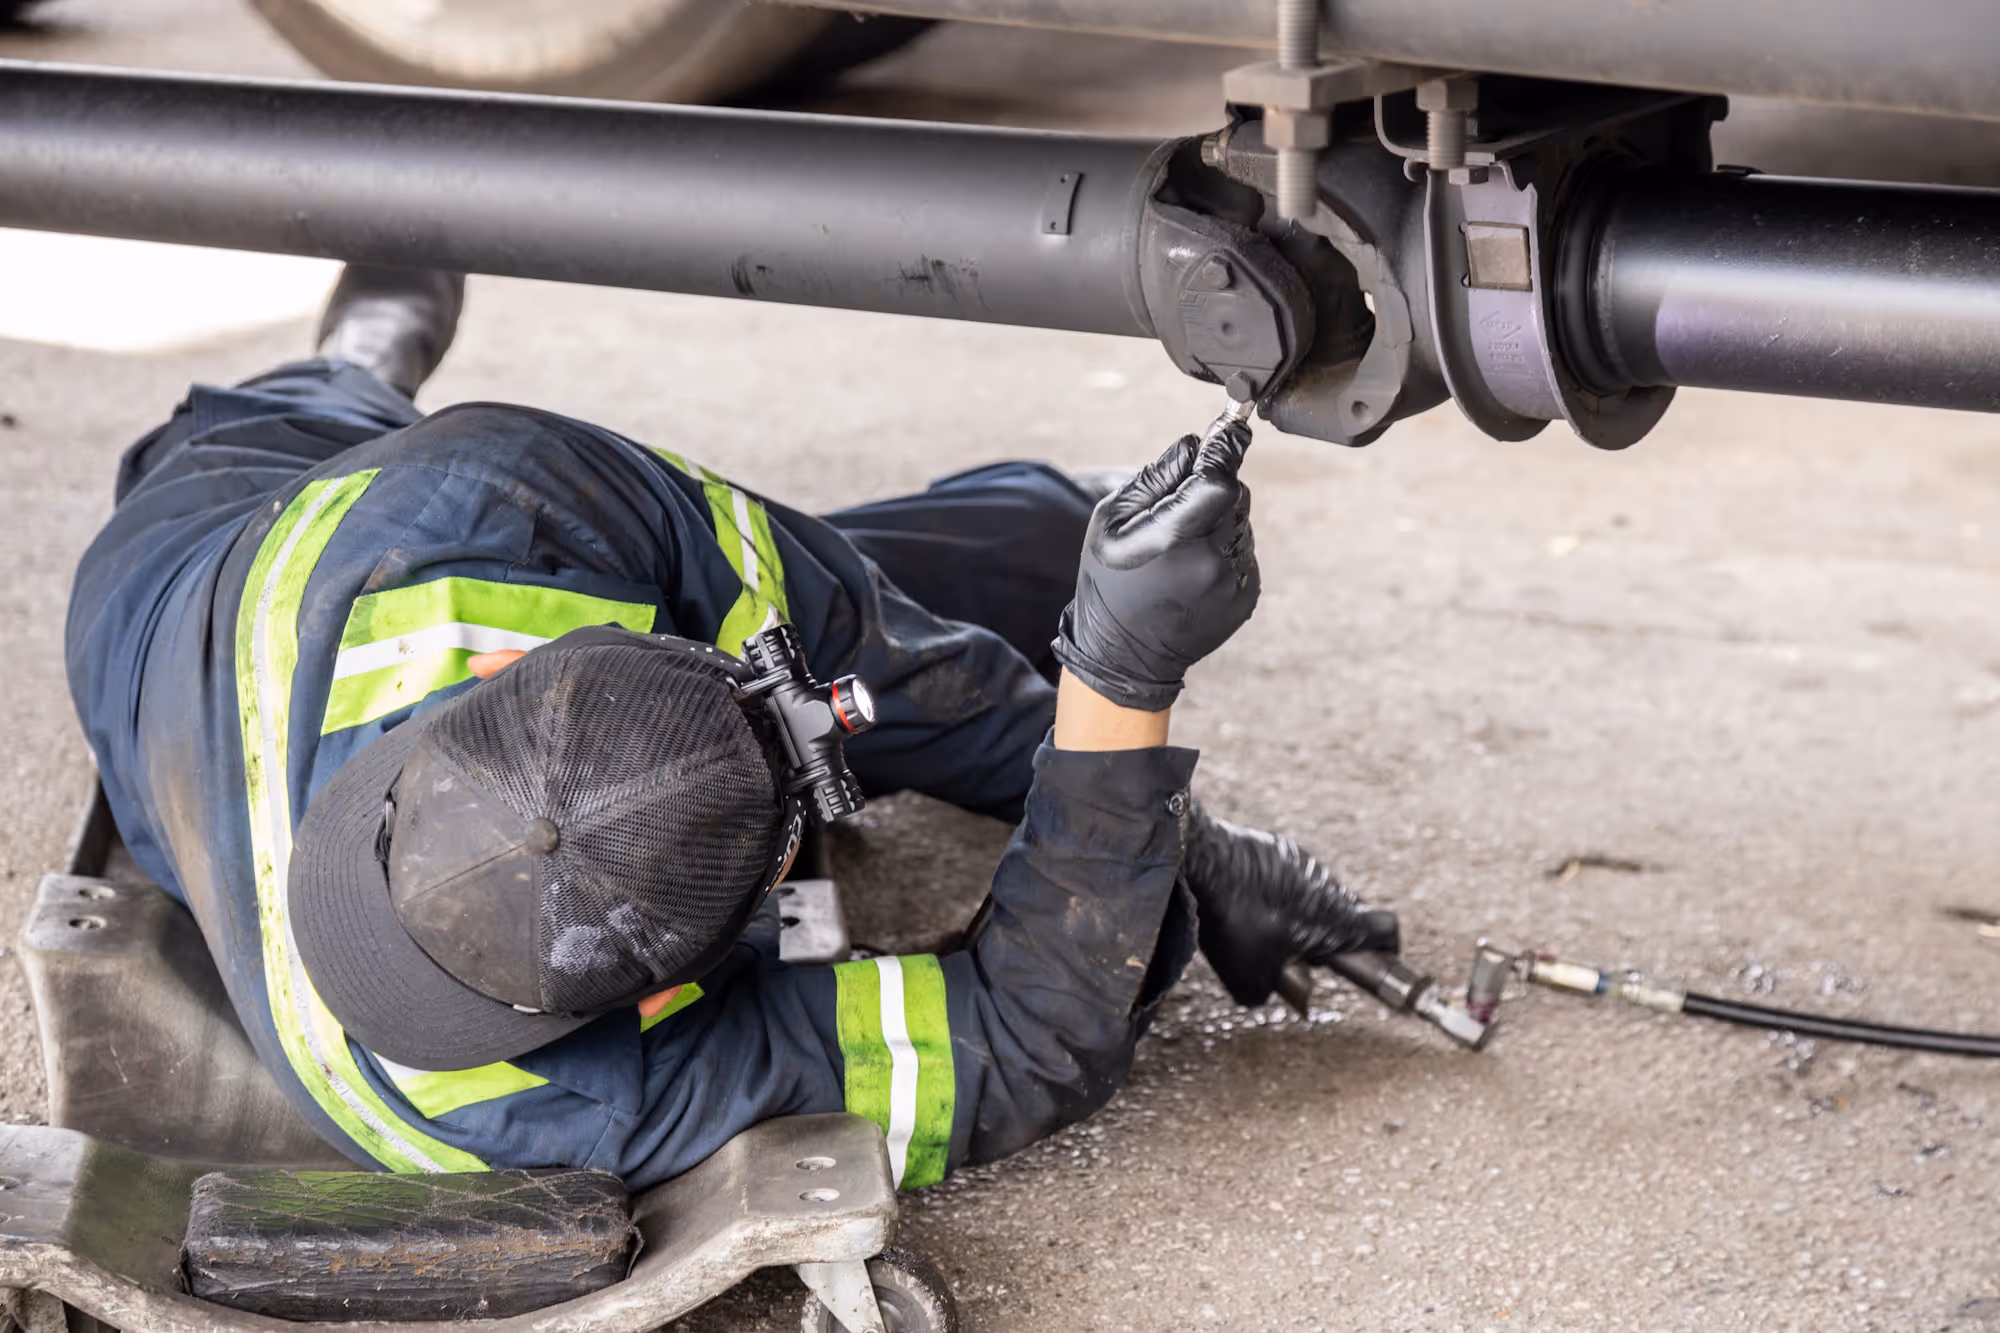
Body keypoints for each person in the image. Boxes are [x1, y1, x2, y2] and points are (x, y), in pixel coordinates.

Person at [64, 267, 1392, 1187]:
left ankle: (1048, 524)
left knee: (1016, 558)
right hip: (187, 561)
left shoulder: (514, 490)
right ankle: (361, 354)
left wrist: (1177, 817)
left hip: (378, 523)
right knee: (316, 402)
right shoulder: (533, 1109)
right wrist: (1123, 681)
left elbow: (870, 657)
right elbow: (1029, 1038)